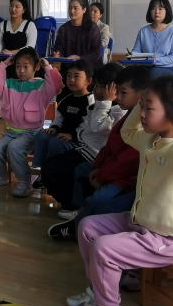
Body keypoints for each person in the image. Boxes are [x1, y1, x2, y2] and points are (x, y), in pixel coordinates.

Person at [67, 75, 173, 306]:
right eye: (141, 106)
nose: (142, 113)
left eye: (148, 108)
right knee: (87, 227)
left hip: (169, 239)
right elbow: (127, 132)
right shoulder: (151, 140)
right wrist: (140, 104)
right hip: (140, 223)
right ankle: (98, 293)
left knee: (105, 248)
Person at [46, 66, 150, 242]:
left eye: (123, 92)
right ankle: (79, 215)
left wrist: (102, 174)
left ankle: (78, 226)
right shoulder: (128, 116)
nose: (118, 96)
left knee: (98, 200)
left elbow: (126, 162)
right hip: (106, 165)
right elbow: (109, 148)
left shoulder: (136, 121)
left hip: (124, 178)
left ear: (141, 95)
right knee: (73, 169)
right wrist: (98, 167)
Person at [36, 63, 126, 211]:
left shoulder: (117, 110)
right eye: (96, 86)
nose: (96, 91)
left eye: (101, 87)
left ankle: (73, 206)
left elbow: (97, 126)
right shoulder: (91, 103)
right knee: (50, 167)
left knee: (60, 166)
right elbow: (83, 125)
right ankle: (67, 201)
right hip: (84, 148)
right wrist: (57, 129)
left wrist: (105, 102)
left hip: (94, 154)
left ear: (114, 89)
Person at [0, 47, 62, 195]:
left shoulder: (41, 86)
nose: (21, 70)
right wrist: (4, 64)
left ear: (36, 67)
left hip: (32, 133)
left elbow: (57, 86)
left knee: (14, 148)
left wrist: (48, 67)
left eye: (26, 66)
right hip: (11, 131)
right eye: (18, 66)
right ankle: (0, 176)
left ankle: (25, 182)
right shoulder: (9, 84)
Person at [23, 60, 95, 198]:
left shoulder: (91, 101)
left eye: (76, 76)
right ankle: (42, 171)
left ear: (88, 81)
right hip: (62, 135)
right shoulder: (67, 99)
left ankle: (51, 173)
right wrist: (54, 127)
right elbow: (59, 117)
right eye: (69, 76)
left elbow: (88, 126)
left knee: (55, 143)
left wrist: (73, 135)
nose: (71, 80)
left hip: (78, 141)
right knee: (42, 135)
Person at [133, 0, 173, 78]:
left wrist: (155, 61)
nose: (156, 12)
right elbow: (136, 51)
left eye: (160, 9)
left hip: (167, 68)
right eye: (153, 8)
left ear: (167, 11)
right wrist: (132, 55)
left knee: (152, 73)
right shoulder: (143, 31)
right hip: (146, 67)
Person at [52, 0, 103, 66]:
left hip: (89, 66)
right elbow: (58, 49)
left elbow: (96, 53)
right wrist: (57, 55)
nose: (72, 11)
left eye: (75, 8)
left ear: (84, 10)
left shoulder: (93, 28)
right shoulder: (63, 29)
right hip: (69, 66)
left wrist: (79, 58)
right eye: (70, 8)